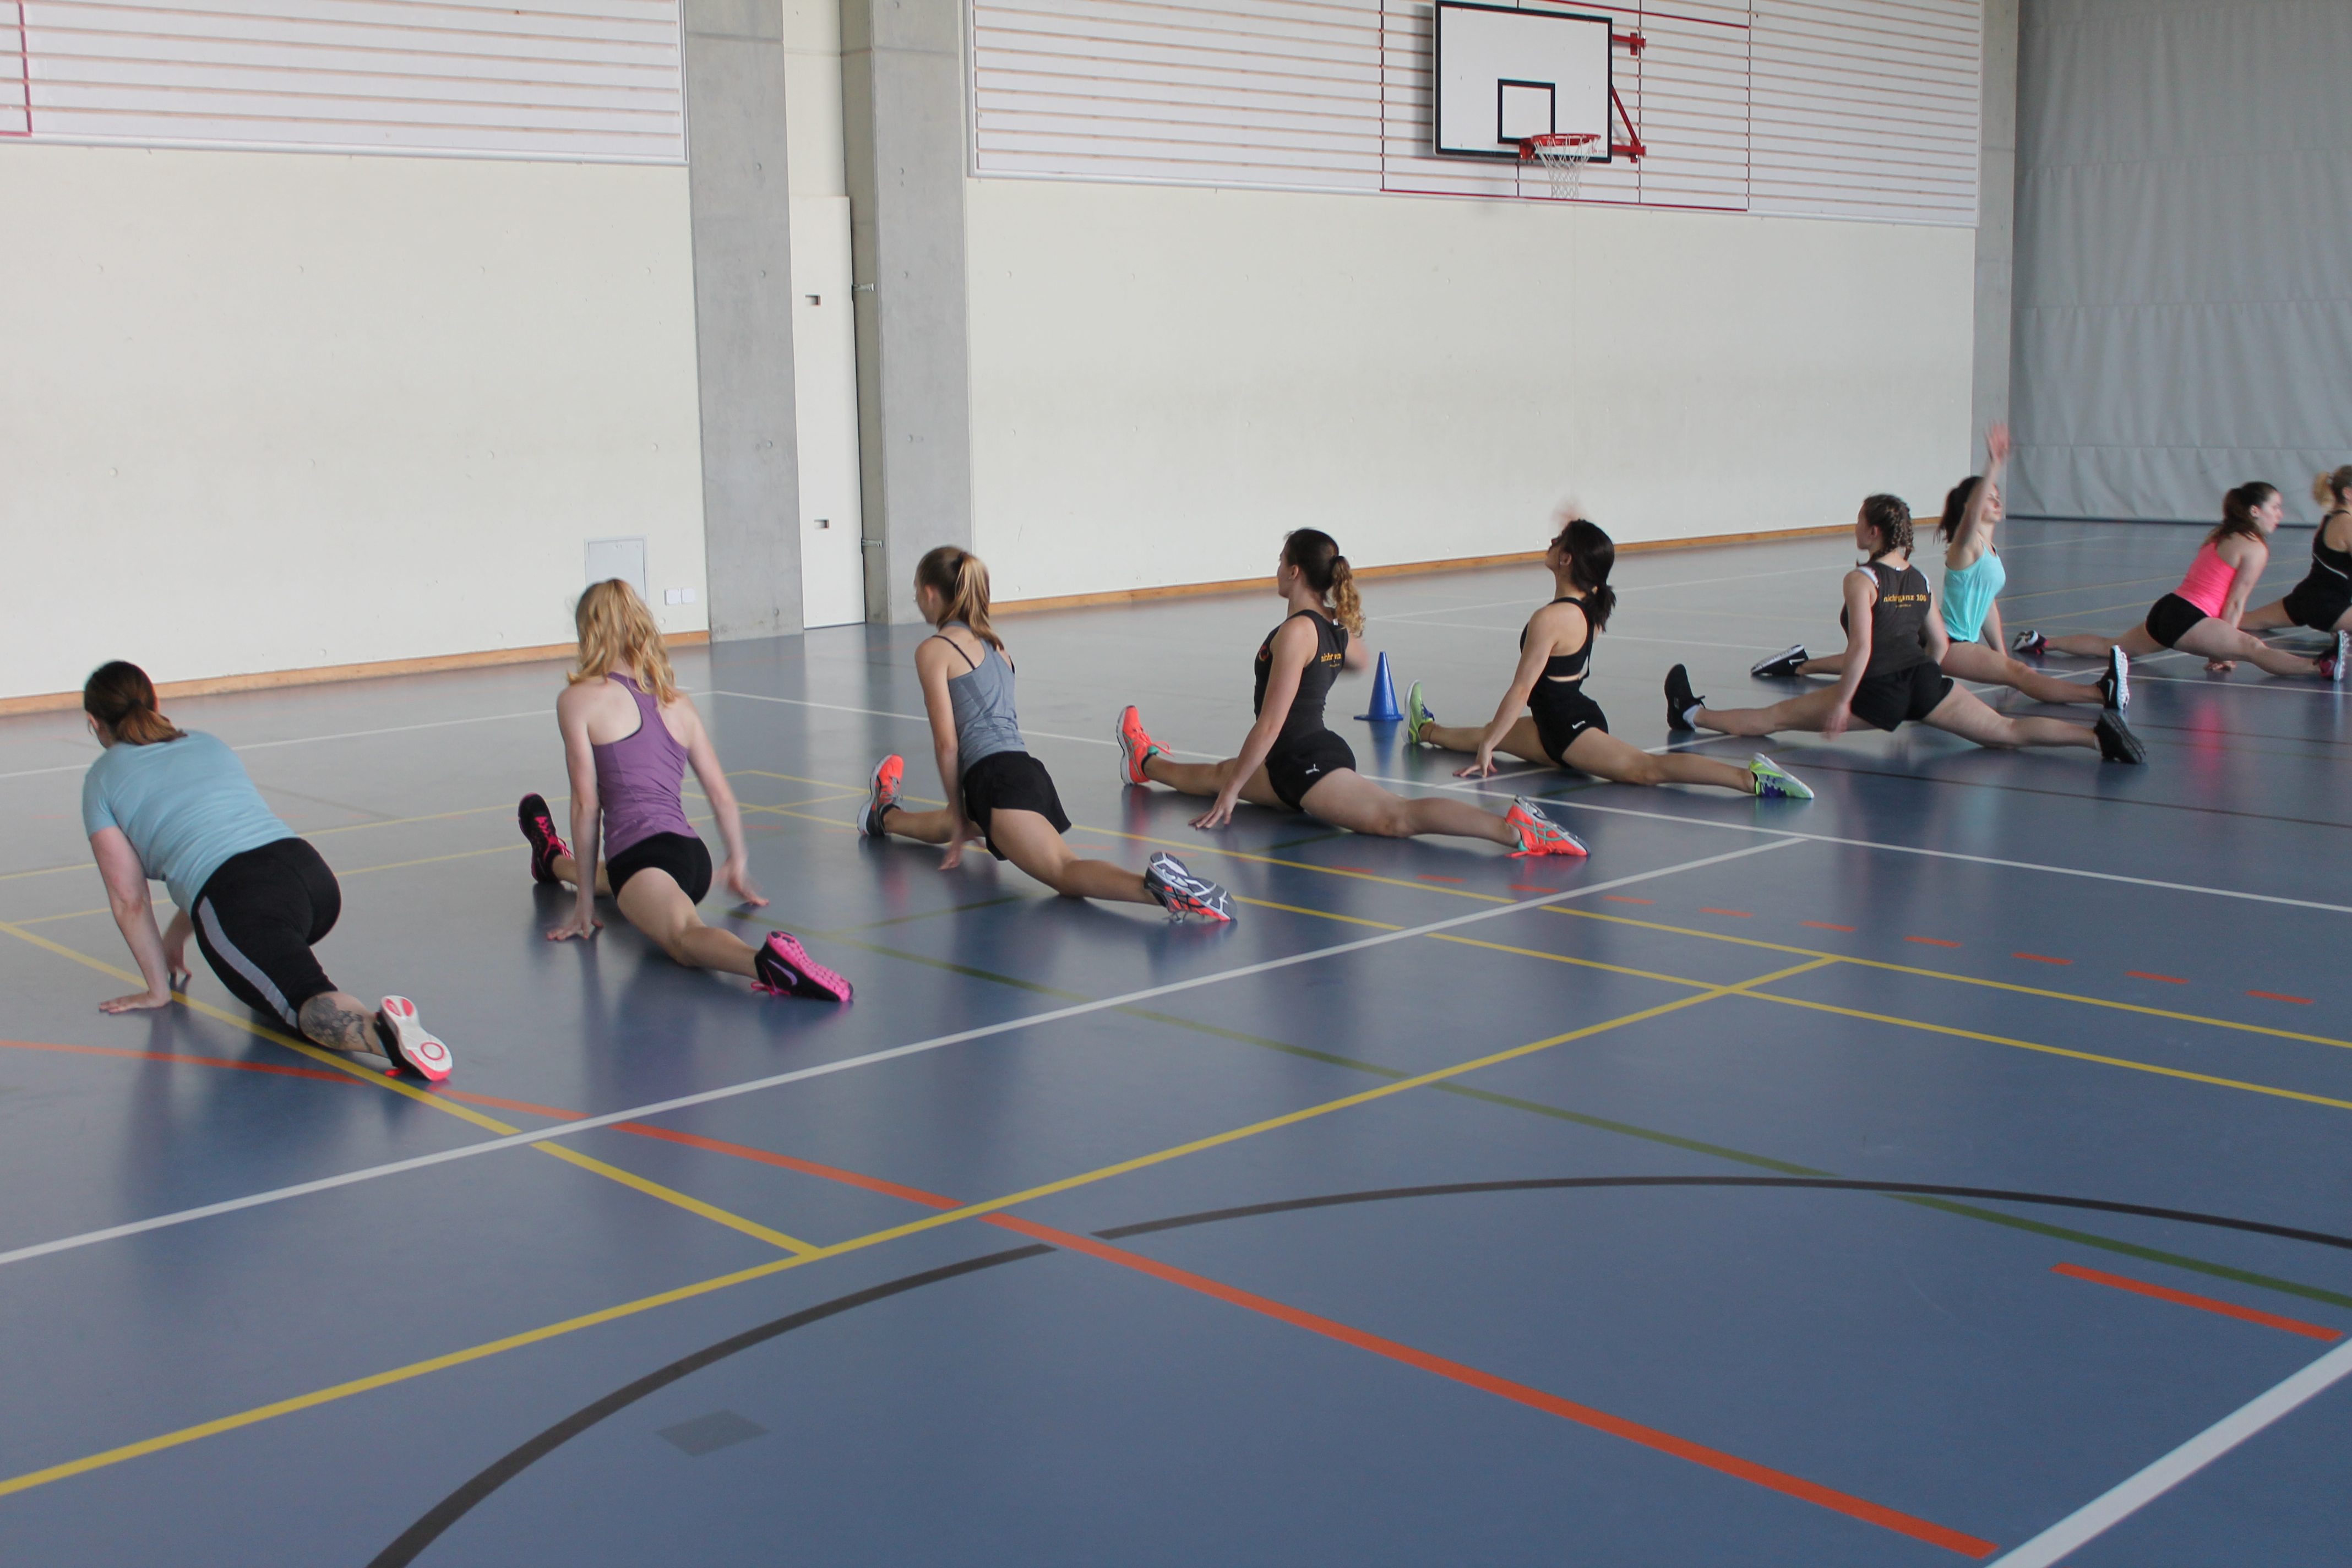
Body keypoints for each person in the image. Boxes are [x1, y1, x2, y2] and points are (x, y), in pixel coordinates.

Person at [78, 661, 453, 1079]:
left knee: (305, 1001)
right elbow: (221, 847)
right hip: (309, 879)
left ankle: (384, 1034)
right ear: (155, 702)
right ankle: (288, 968)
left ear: (94, 723)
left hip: (245, 902)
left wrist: (157, 990)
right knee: (270, 961)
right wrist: (176, 936)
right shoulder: (206, 743)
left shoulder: (102, 780)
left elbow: (130, 899)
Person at [1115, 529, 1590, 855]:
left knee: (1395, 817)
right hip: (1293, 762)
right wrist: (1232, 783)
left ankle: (1512, 829)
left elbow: (1271, 723)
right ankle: (1145, 761)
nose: (1276, 569)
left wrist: (1232, 796)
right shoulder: (1332, 627)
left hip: (1306, 762)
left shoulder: (1299, 632)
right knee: (1216, 775)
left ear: (1295, 571)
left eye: (1280, 562)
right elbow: (1358, 658)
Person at [515, 579, 851, 1001]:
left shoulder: (578, 700)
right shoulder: (678, 702)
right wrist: (738, 862)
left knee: (684, 938)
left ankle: (766, 964)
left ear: (589, 631)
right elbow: (722, 796)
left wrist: (584, 905)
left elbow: (586, 804)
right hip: (693, 859)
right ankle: (550, 859)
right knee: (618, 882)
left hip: (639, 859)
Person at [859, 546, 1233, 921]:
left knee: (1064, 871)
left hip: (993, 782)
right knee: (956, 820)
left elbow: (947, 744)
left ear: (930, 593)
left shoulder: (934, 651)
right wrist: (958, 816)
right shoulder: (996, 645)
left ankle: (1158, 891)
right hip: (1024, 771)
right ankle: (884, 814)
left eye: (916, 591)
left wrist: (959, 815)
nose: (916, 600)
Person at [1663, 496, 2147, 763]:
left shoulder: (1861, 580)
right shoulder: (1920, 579)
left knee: (1775, 718)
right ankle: (2095, 739)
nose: (1855, 527)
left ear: (1873, 532)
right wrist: (1922, 683)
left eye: (1859, 521)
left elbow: (1860, 650)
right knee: (2007, 731)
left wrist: (1844, 703)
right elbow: (1938, 643)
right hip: (1925, 681)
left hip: (1881, 689)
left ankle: (1692, 714)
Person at [1399, 512, 1812, 799]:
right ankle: (1424, 729)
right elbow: (1594, 575)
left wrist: (1489, 748)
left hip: (1571, 730)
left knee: (1646, 770)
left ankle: (1751, 778)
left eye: (1558, 542)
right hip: (1558, 721)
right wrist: (1489, 740)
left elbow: (1522, 689)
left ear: (1566, 559)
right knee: (1486, 732)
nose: (1550, 543)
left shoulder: (1550, 619)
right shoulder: (1591, 606)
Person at [1752, 426, 2127, 712]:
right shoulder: (1964, 547)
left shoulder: (1990, 551)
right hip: (1947, 641)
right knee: (2021, 675)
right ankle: (2100, 694)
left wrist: (2001, 652)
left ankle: (1800, 666)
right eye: (1990, 497)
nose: (1997, 502)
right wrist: (1994, 464)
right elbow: (1971, 514)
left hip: (1956, 639)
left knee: (1873, 661)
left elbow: (1987, 603)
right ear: (1973, 506)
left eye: (1998, 497)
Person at [2008, 483, 2348, 681]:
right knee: (2252, 649)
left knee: (2112, 646)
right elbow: (2234, 602)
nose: (2280, 514)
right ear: (2255, 511)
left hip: (2169, 610)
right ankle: (2319, 666)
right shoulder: (2255, 547)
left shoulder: (2223, 534)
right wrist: (2224, 648)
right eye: (2275, 507)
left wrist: (2219, 643)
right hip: (2189, 618)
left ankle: (2042, 642)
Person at [2238, 466, 2352, 638]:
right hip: (2330, 607)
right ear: (2348, 493)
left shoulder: (2331, 519)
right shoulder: (2346, 523)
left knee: (2243, 621)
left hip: (2307, 598)